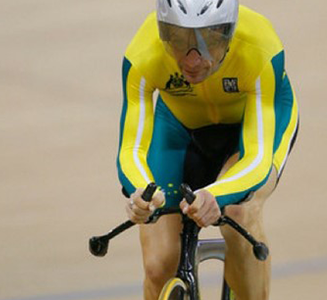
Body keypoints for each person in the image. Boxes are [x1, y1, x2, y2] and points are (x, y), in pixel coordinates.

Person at [117, 0, 299, 299]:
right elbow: (131, 145)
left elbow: (256, 157)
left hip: (250, 129)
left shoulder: (261, 48)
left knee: (239, 211)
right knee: (158, 266)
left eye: (209, 40)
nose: (192, 59)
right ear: (162, 32)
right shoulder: (142, 53)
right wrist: (140, 192)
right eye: (178, 39)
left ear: (228, 32)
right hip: (179, 128)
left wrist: (217, 195)